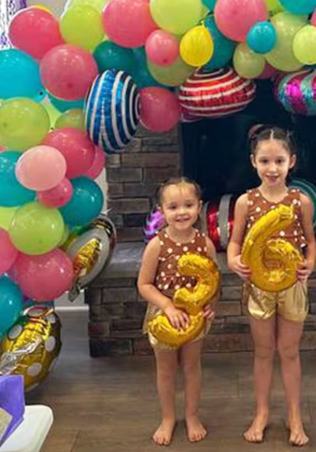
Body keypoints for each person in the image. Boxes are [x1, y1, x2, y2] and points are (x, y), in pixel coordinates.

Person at [227, 125, 316, 446]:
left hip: (293, 283)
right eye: (265, 161)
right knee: (264, 352)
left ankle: (295, 414)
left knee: (289, 352)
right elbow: (234, 244)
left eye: (279, 161)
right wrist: (234, 261)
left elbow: (310, 240)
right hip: (258, 287)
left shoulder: (301, 200)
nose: (272, 168)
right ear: (254, 161)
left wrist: (310, 261)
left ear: (291, 161)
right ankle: (262, 412)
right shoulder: (246, 202)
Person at [138, 177, 217, 446]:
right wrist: (168, 306)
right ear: (161, 210)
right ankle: (168, 417)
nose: (181, 212)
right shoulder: (157, 246)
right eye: (173, 207)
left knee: (192, 367)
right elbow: (144, 284)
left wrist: (209, 306)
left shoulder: (204, 244)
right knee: (166, 369)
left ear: (199, 206)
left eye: (188, 205)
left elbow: (212, 282)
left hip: (194, 316)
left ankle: (192, 415)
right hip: (163, 316)